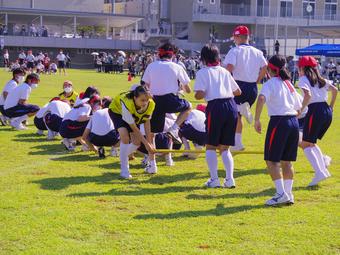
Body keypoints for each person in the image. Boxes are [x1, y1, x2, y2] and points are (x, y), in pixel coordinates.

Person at [254, 55, 301, 206]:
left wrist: (256, 119)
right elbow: (299, 107)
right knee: (287, 162)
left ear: (270, 68)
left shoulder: (271, 83)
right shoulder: (289, 84)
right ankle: (288, 194)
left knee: (271, 160)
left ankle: (281, 194)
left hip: (279, 122)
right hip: (293, 121)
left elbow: (261, 99)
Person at [194, 44, 241, 188]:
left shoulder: (203, 72)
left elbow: (199, 94)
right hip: (231, 106)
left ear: (203, 58)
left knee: (211, 145)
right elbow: (238, 91)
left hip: (215, 107)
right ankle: (230, 179)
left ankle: (214, 179)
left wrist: (207, 91)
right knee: (225, 147)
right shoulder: (225, 71)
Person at [142, 42, 192, 174]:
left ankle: (152, 164)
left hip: (154, 100)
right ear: (173, 55)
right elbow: (188, 89)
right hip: (170, 99)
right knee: (188, 107)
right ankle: (174, 129)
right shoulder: (176, 66)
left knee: (151, 135)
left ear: (159, 54)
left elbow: (144, 85)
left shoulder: (151, 66)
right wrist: (180, 87)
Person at [223, 25, 267, 151]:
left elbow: (229, 68)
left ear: (238, 37)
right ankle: (238, 142)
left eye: (234, 38)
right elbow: (265, 67)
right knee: (238, 115)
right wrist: (258, 80)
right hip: (252, 87)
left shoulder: (235, 51)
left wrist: (225, 81)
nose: (234, 40)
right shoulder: (258, 52)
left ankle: (236, 142)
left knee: (234, 115)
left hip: (238, 85)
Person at [297, 56, 338, 186]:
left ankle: (319, 172)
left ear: (302, 68)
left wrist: (300, 109)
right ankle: (323, 171)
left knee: (305, 143)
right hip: (325, 110)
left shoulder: (303, 79)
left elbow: (308, 95)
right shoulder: (321, 79)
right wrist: (331, 106)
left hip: (314, 111)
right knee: (311, 143)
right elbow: (335, 90)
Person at [109, 85, 156, 179]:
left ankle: (123, 155)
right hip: (117, 112)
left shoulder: (151, 104)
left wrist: (149, 142)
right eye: (142, 100)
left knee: (136, 143)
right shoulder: (127, 103)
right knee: (125, 137)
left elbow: (147, 122)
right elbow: (134, 128)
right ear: (135, 98)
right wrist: (146, 144)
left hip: (132, 115)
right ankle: (124, 170)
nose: (145, 102)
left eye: (147, 100)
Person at [59, 86, 100, 151]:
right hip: (67, 127)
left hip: (63, 128)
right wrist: (94, 117)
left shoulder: (81, 101)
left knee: (87, 123)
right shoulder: (86, 105)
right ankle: (70, 140)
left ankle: (76, 142)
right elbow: (80, 119)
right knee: (91, 124)